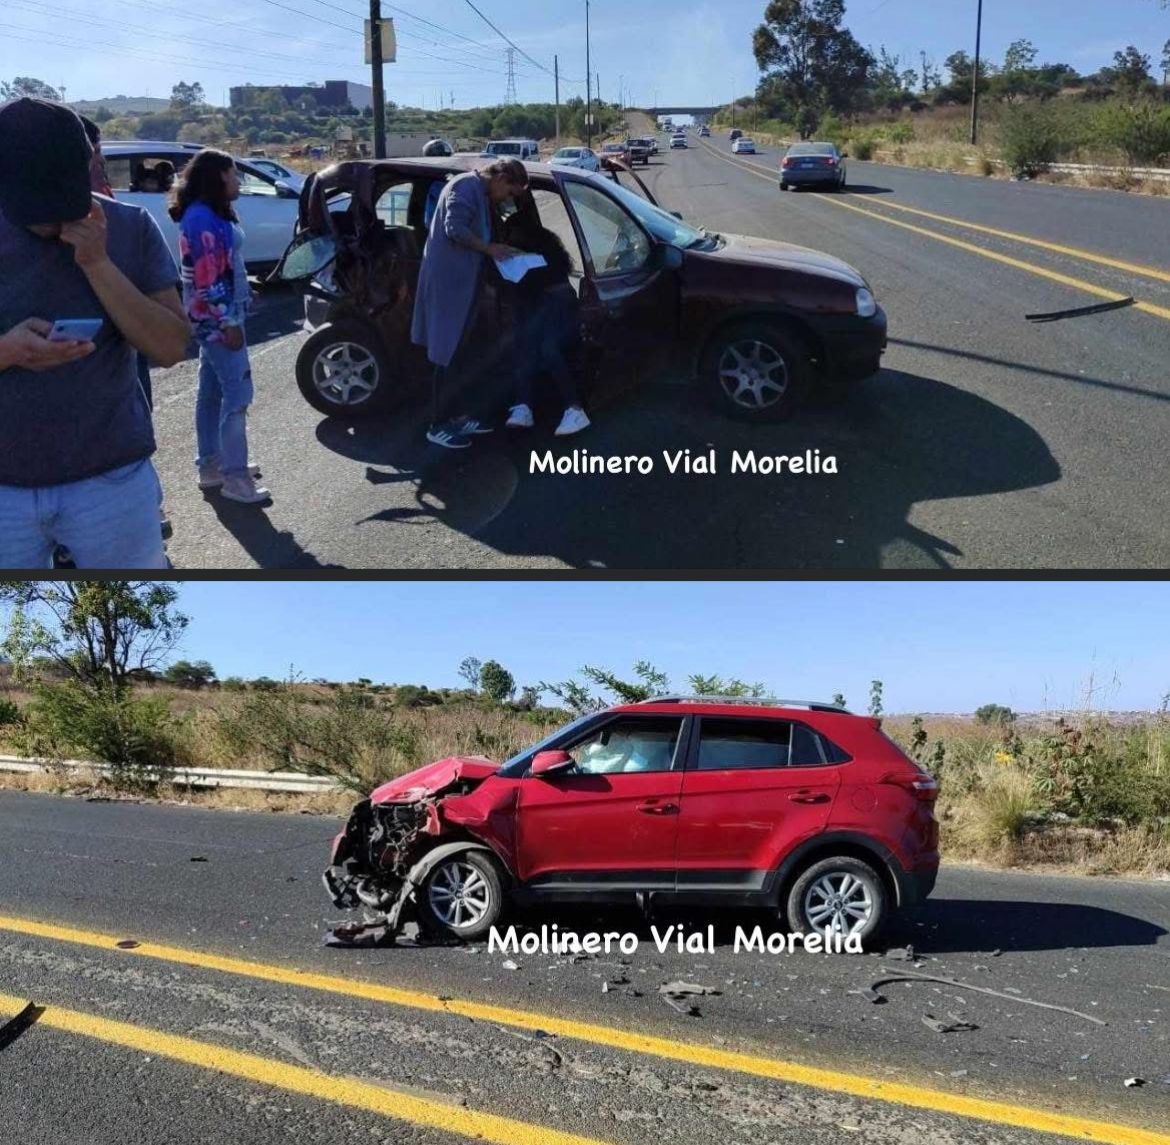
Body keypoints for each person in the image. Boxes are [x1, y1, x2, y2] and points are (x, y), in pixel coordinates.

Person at [0, 97, 189, 569]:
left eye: (60, 201)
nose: (50, 223)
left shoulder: (128, 227)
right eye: (34, 209)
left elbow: (170, 347)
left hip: (111, 481)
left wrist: (98, 264)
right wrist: (6, 351)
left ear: (88, 164)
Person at [80, 114, 169, 539]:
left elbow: (170, 343)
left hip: (124, 345)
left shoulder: (119, 214)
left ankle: (148, 504)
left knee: (134, 394)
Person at [170, 149, 269, 504]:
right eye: (234, 173)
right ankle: (235, 477)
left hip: (214, 315)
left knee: (211, 393)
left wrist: (244, 289)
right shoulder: (202, 219)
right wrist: (228, 320)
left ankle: (212, 464)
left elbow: (223, 266)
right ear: (218, 177)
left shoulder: (207, 214)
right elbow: (208, 277)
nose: (239, 181)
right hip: (215, 321)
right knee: (238, 396)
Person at [410, 157, 528, 449]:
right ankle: (437, 424)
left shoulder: (479, 191)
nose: (507, 199)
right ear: (500, 179)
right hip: (449, 284)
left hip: (463, 285)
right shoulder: (464, 187)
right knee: (445, 353)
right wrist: (490, 249)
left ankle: (458, 417)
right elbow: (455, 228)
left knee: (460, 353)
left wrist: (499, 249)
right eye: (510, 193)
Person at [502, 202, 590, 437]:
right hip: (539, 304)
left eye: (511, 234)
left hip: (559, 304)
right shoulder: (536, 249)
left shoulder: (543, 254)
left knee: (549, 348)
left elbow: (540, 285)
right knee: (525, 345)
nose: (508, 239)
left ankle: (574, 408)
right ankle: (524, 406)